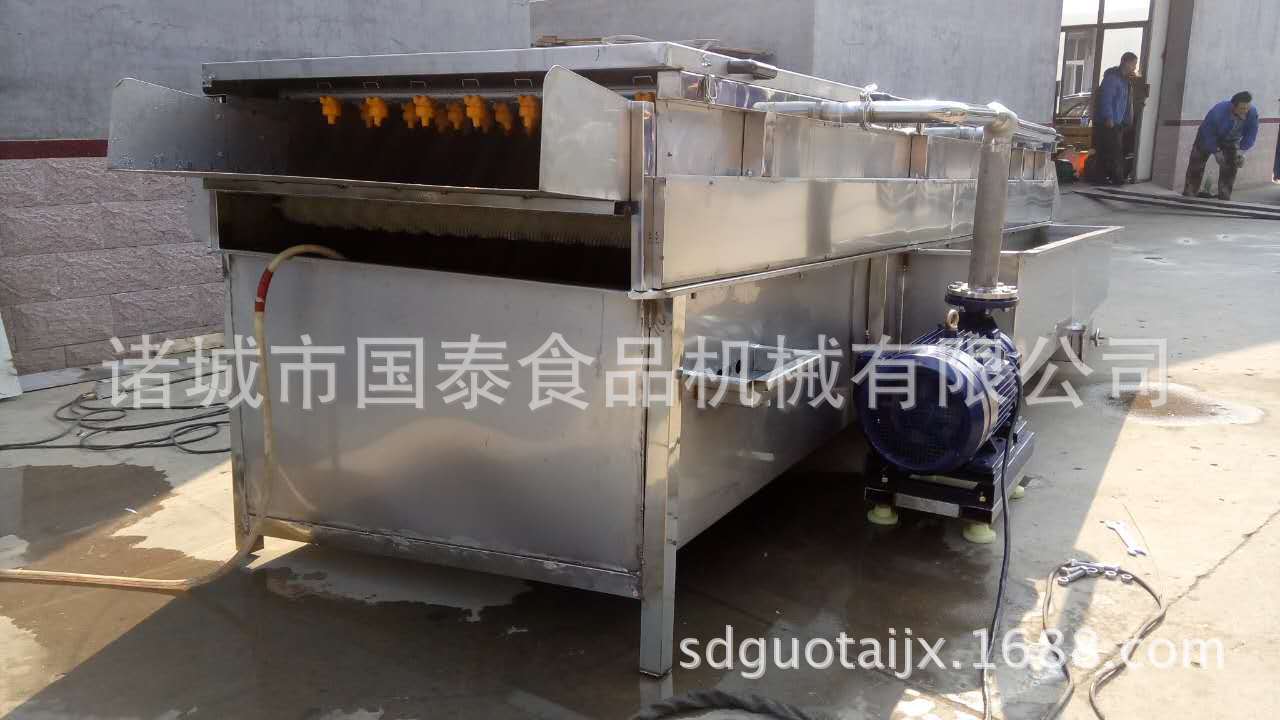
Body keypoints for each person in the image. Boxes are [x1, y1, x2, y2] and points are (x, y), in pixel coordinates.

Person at [1183, 91, 1259, 200]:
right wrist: (1216, 152)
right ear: (1233, 106)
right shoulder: (1218, 111)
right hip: (1207, 137)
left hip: (1231, 140)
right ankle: (1189, 193)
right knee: (1197, 164)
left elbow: (1251, 135)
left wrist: (1241, 152)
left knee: (1231, 166)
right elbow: (1208, 132)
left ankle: (1224, 196)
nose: (1245, 111)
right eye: (1242, 108)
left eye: (1247, 108)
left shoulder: (1252, 113)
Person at [1092, 52, 1138, 185]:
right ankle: (1117, 179)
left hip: (1117, 122)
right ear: (1126, 62)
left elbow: (1124, 103)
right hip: (1108, 122)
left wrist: (1126, 121)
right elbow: (1106, 99)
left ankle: (1101, 178)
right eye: (1133, 64)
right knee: (1114, 151)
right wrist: (1109, 117)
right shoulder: (1112, 79)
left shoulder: (1124, 81)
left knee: (1106, 151)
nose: (1134, 68)